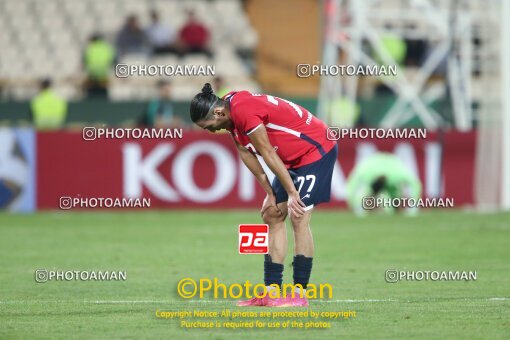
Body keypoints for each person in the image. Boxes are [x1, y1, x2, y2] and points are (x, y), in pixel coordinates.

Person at [189, 84, 338, 307]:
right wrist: (269, 193)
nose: (209, 130)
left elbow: (267, 152)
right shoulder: (228, 109)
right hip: (291, 159)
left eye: (208, 125)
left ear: (218, 113)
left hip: (314, 150)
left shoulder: (243, 110)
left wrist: (290, 192)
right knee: (272, 214)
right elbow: (244, 151)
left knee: (299, 215)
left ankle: (299, 294)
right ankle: (271, 292)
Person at [346, 152, 422, 216]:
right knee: (371, 195)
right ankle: (361, 208)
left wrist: (352, 204)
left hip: (387, 179)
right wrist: (413, 206)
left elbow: (352, 185)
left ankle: (360, 209)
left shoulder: (396, 174)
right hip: (381, 177)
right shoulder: (367, 172)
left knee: (391, 203)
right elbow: (415, 184)